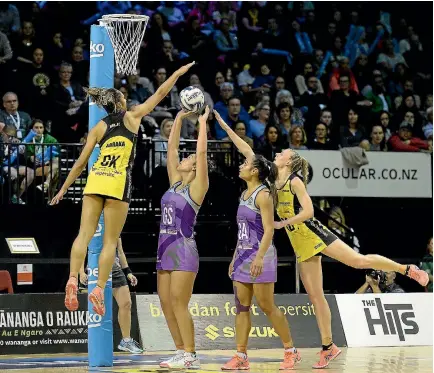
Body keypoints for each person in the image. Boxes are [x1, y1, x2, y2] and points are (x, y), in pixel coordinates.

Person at [50, 61, 194, 316]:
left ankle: (73, 278)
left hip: (95, 180)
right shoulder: (132, 116)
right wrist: (177, 74)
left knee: (83, 235)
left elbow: (80, 163)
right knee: (109, 242)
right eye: (124, 97)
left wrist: (62, 189)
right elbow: (160, 94)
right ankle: (99, 288)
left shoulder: (99, 127)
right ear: (120, 102)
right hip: (117, 182)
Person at [272, 149, 429, 368]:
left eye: (283, 152)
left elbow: (309, 212)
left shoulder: (294, 181)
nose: (278, 152)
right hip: (300, 243)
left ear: (289, 161)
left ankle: (406, 269)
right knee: (316, 297)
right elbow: (247, 151)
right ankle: (328, 348)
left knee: (359, 261)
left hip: (313, 232)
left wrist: (282, 223)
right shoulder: (273, 179)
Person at [214, 110, 300, 370]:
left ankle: (291, 350)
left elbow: (270, 230)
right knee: (241, 307)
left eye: (245, 164)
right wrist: (221, 124)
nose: (241, 165)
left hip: (261, 254)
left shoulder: (263, 195)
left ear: (254, 171)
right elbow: (243, 146)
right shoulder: (245, 191)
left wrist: (260, 258)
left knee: (266, 305)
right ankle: (240, 356)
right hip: (242, 254)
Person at [157, 106, 210, 369]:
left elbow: (200, 153)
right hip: (164, 247)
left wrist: (201, 123)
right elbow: (171, 149)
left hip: (183, 249)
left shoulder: (198, 187)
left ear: (195, 167)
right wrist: (178, 118)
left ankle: (191, 354)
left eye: (189, 159)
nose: (185, 157)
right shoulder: (174, 182)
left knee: (179, 302)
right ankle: (180, 351)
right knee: (166, 303)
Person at [79, 237, 143, 353]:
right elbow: (81, 248)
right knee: (97, 308)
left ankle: (126, 341)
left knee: (126, 303)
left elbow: (120, 252)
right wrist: (81, 272)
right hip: (96, 270)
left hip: (115, 269)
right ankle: (96, 344)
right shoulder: (92, 225)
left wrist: (128, 272)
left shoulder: (115, 227)